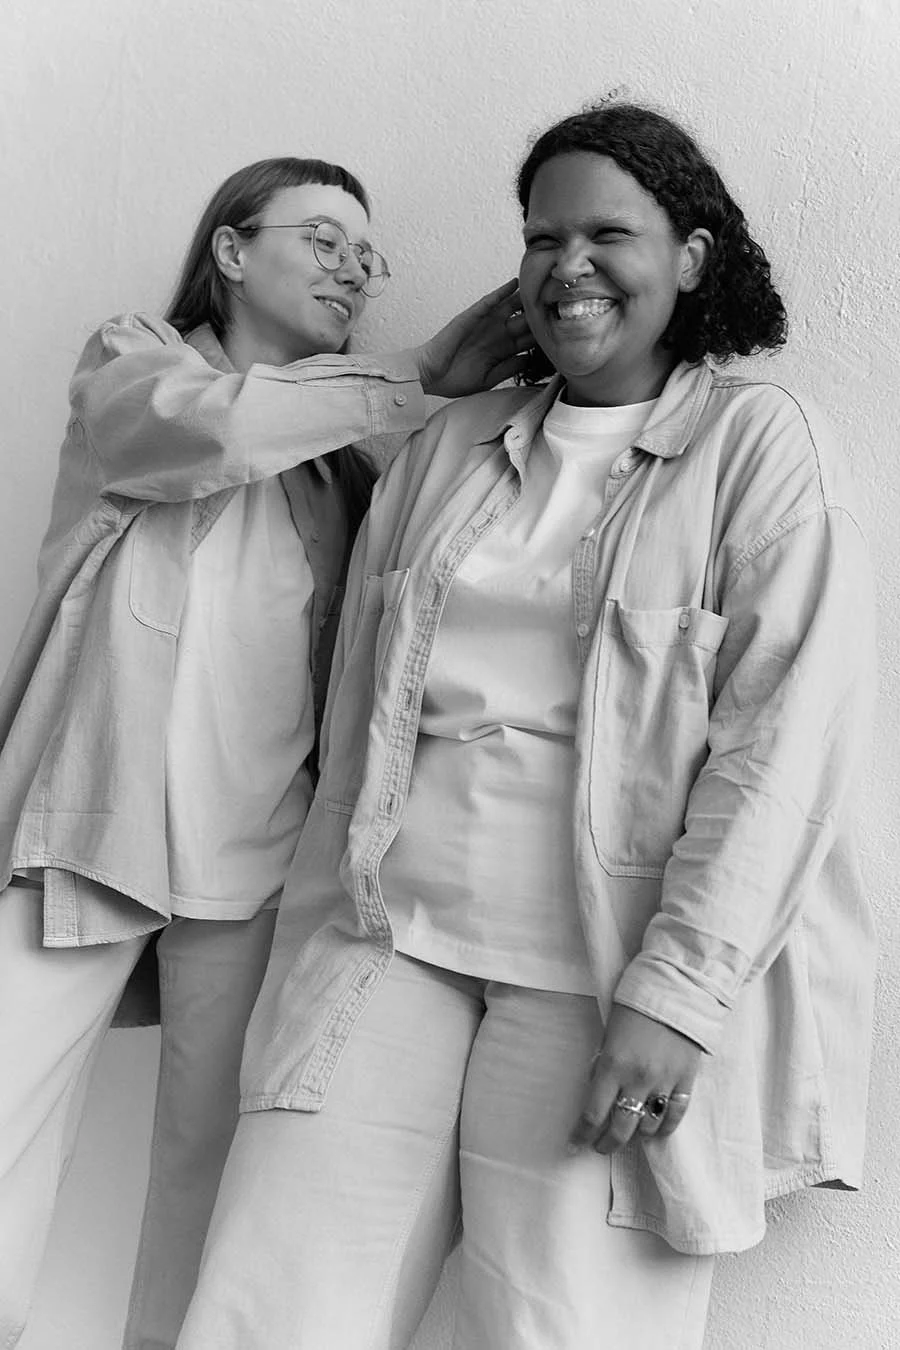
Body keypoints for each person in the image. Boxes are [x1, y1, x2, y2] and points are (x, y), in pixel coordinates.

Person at [175, 106, 877, 1350]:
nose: (569, 264)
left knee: (560, 1328)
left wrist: (678, 996)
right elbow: (354, 714)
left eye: (611, 231)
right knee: (267, 1306)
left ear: (694, 259)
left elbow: (781, 753)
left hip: (601, 970)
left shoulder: (760, 447)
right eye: (543, 236)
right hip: (383, 940)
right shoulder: (450, 445)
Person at [0, 154, 531, 1350]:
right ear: (233, 250)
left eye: (368, 252)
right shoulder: (135, 363)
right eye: (326, 238)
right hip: (93, 820)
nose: (359, 268)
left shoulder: (346, 463)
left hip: (256, 864)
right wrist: (412, 375)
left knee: (207, 1179)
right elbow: (197, 436)